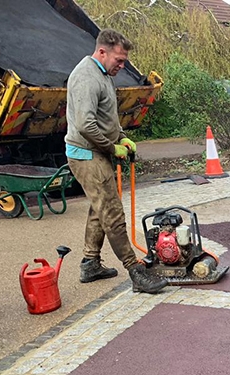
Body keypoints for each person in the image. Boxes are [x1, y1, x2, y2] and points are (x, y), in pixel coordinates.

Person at [65, 29, 165, 293]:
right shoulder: (86, 77)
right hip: (86, 154)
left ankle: (90, 263)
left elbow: (105, 115)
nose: (122, 65)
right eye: (118, 60)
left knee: (100, 206)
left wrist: (121, 137)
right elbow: (85, 124)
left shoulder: (103, 73)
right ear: (101, 52)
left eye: (123, 61)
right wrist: (111, 147)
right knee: (111, 211)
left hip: (97, 150)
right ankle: (136, 271)